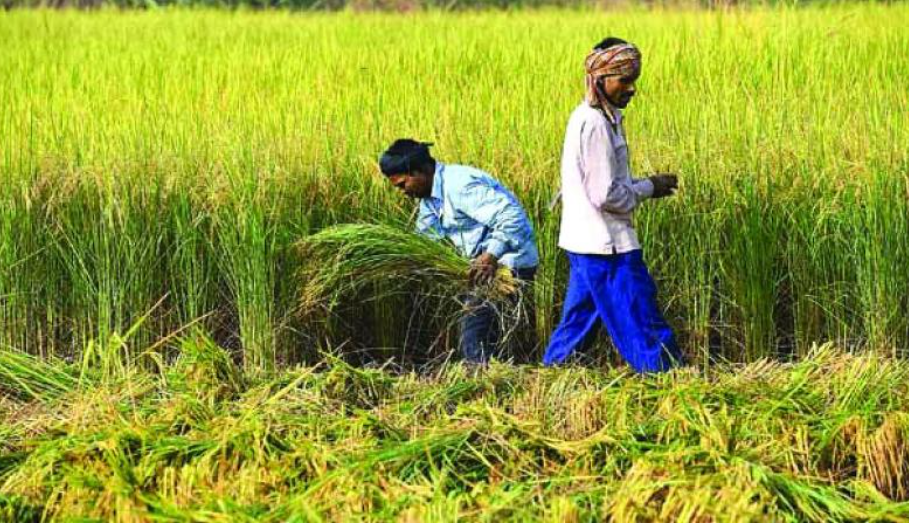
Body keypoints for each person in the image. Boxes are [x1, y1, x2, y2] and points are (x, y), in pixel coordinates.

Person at [542, 37, 684, 372]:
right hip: (607, 245)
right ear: (600, 79)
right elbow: (605, 194)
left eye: (634, 79)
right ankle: (667, 379)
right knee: (638, 312)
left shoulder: (601, 117)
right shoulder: (593, 123)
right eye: (624, 80)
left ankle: (552, 373)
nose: (631, 88)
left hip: (586, 242)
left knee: (579, 320)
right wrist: (649, 187)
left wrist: (644, 185)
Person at [379, 139, 539, 364]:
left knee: (473, 335)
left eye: (403, 184)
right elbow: (424, 240)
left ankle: (484, 386)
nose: (402, 192)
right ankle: (495, 377)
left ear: (421, 171)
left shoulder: (459, 186)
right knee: (481, 332)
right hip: (482, 268)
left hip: (507, 266)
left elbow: (512, 217)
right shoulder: (429, 200)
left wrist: (490, 256)